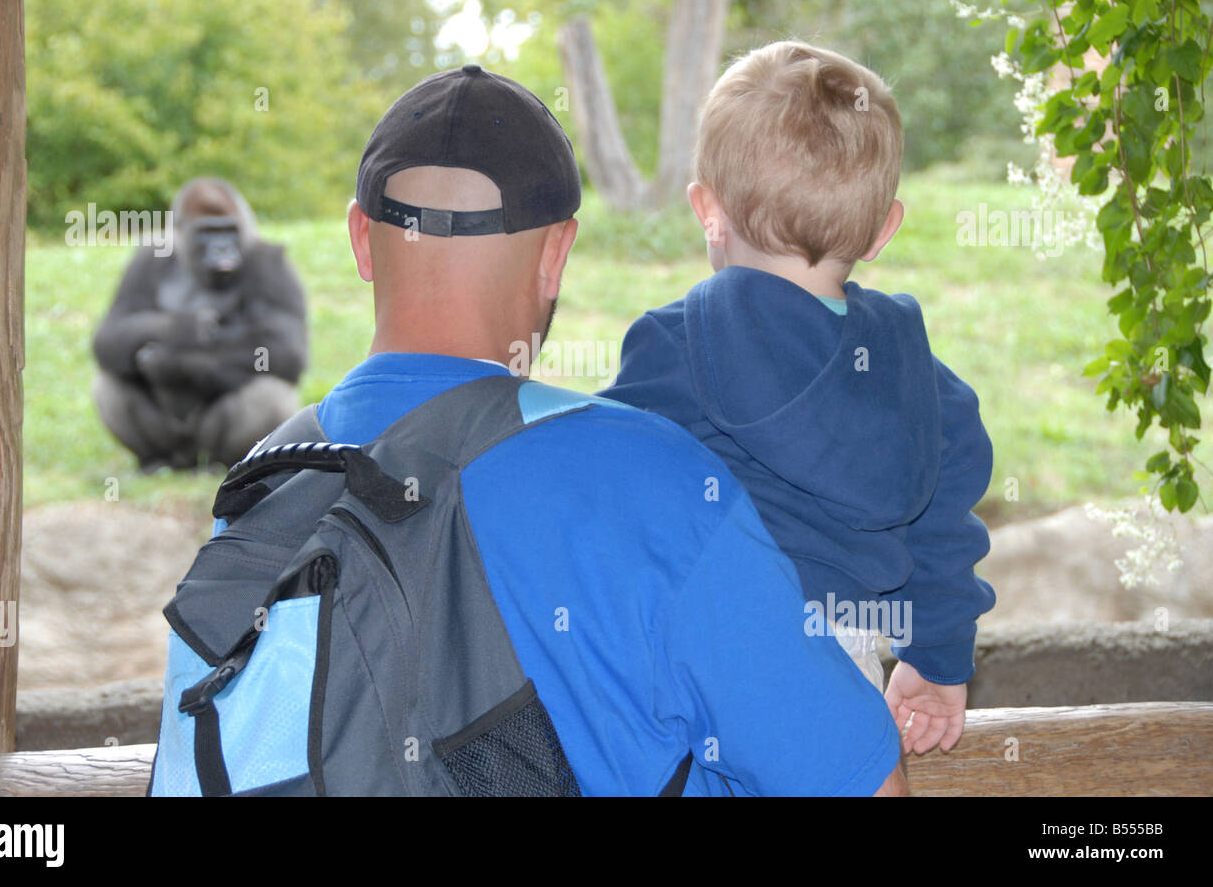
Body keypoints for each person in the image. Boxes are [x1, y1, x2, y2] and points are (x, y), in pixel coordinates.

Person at [323, 63, 906, 795]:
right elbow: (863, 785)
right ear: (556, 255)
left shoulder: (262, 488)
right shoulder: (649, 479)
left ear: (360, 240)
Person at [602, 41, 997, 756]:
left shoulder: (673, 350)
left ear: (705, 208)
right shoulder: (917, 375)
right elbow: (943, 525)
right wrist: (936, 660)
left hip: (710, 659)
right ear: (884, 229)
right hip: (840, 665)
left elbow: (609, 495)